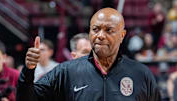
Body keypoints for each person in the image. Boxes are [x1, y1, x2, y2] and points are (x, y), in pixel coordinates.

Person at [17, 8, 161, 101]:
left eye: (109, 30)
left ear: (122, 35)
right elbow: (27, 99)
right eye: (95, 29)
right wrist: (28, 71)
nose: (100, 36)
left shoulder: (141, 74)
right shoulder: (66, 72)